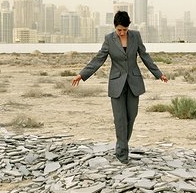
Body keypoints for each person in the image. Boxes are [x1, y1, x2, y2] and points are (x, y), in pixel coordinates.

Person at [71, 11, 168, 164]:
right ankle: (122, 153)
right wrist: (82, 75)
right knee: (120, 119)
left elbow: (145, 56)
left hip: (133, 83)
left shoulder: (135, 36)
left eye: (124, 30)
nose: (122, 33)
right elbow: (98, 59)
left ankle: (123, 145)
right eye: (119, 30)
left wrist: (158, 73)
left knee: (131, 117)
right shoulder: (109, 39)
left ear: (128, 27)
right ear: (115, 27)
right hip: (117, 84)